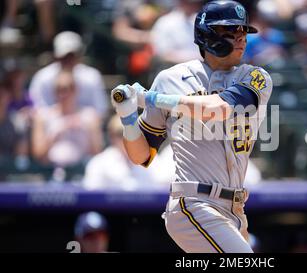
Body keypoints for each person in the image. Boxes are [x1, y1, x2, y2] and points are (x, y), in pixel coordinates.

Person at [110, 0, 273, 253]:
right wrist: (128, 117)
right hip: (193, 202)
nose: (240, 37)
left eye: (243, 30)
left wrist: (150, 99)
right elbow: (141, 155)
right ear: (207, 34)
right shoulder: (171, 79)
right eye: (230, 30)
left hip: (236, 208)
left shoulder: (256, 76)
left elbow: (217, 109)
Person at [31, 70, 103, 169]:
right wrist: (55, 133)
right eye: (59, 89)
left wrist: (84, 130)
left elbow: (98, 152)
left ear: (76, 90)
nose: (63, 94)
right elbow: (38, 153)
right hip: (51, 171)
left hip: (81, 171)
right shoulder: (43, 116)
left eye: (68, 88)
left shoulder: (90, 116)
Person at [83, 115, 175, 190]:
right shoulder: (99, 163)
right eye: (121, 133)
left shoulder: (154, 160)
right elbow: (91, 196)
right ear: (111, 137)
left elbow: (163, 190)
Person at [29, 31, 108, 118]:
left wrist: (78, 120)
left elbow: (100, 110)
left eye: (72, 56)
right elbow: (37, 109)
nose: (68, 60)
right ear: (56, 56)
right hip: (51, 127)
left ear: (79, 56)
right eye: (64, 57)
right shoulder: (42, 77)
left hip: (85, 128)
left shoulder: (92, 76)